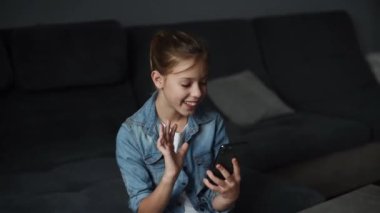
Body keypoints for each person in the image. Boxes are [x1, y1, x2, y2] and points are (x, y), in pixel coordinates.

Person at [116, 30, 241, 213]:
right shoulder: (131, 135)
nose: (198, 93)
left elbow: (212, 203)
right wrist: (170, 175)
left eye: (203, 82)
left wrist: (228, 197)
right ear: (158, 80)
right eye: (186, 84)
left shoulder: (212, 123)